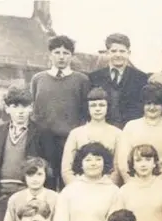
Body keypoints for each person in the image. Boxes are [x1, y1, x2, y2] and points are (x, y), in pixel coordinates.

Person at [0, 86, 49, 221]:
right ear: (7, 109)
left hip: (26, 193)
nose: (20, 112)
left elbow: (47, 167)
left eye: (25, 107)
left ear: (31, 108)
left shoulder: (40, 133)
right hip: (1, 195)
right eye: (15, 107)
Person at [30, 35, 91, 190]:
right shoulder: (38, 79)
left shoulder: (81, 80)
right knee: (45, 182)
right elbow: (34, 109)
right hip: (44, 141)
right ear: (50, 55)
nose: (61, 57)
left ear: (72, 56)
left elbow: (85, 112)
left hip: (69, 141)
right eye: (57, 52)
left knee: (68, 184)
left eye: (66, 53)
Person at [51, 142, 119, 221]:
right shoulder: (69, 191)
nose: (93, 163)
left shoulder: (113, 191)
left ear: (105, 162)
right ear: (80, 164)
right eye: (88, 160)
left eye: (98, 159)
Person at [118, 82, 162, 183]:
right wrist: (131, 183)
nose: (152, 108)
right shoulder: (131, 126)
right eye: (148, 103)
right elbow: (123, 161)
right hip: (134, 184)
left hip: (161, 183)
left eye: (156, 103)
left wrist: (157, 185)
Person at [61, 87, 122, 186]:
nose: (97, 109)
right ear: (87, 108)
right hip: (79, 187)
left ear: (108, 107)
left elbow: (117, 168)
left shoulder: (117, 133)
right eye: (93, 105)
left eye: (102, 105)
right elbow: (66, 169)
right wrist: (76, 188)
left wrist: (107, 187)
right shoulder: (76, 133)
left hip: (106, 187)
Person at [89, 33, 149, 128]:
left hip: (131, 131)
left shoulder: (141, 78)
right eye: (113, 51)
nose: (118, 55)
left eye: (122, 51)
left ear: (128, 53)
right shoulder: (94, 77)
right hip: (103, 130)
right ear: (107, 52)